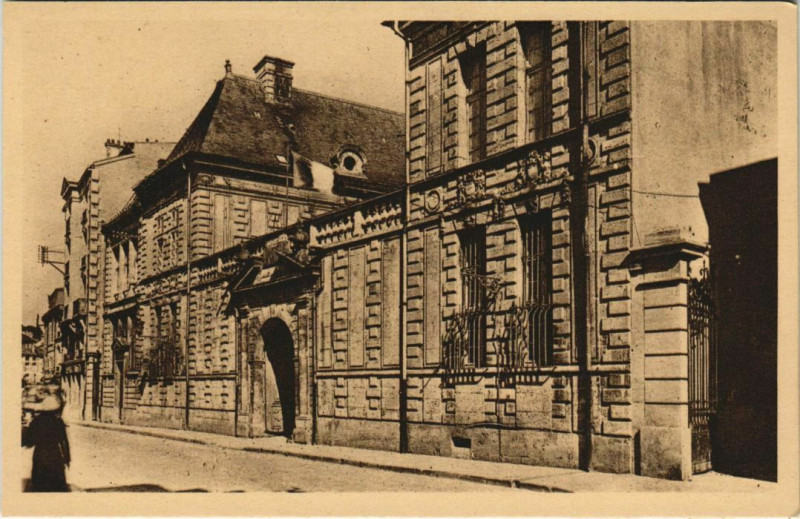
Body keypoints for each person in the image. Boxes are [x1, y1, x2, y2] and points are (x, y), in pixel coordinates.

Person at [22, 389, 70, 492]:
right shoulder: (58, 422)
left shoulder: (36, 422)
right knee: (57, 487)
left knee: (40, 486)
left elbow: (29, 441)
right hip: (55, 456)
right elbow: (64, 442)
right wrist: (67, 458)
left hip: (40, 456)